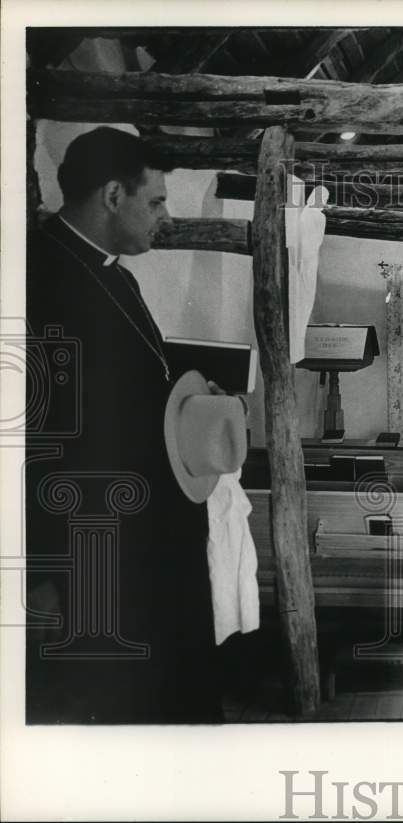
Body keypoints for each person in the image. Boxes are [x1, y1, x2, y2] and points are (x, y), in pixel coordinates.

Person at [25, 127, 222, 723]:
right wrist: (40, 569)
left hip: (150, 535)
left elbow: (138, 382)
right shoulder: (38, 276)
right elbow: (32, 440)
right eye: (156, 200)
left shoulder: (118, 273)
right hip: (94, 549)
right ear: (114, 195)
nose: (166, 215)